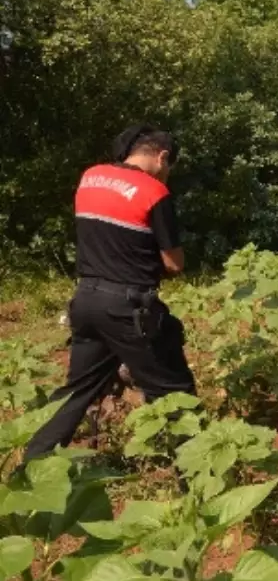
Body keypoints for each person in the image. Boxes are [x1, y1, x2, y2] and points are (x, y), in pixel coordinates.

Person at [21, 125, 197, 465]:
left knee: (75, 392)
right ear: (162, 156)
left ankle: (29, 470)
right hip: (128, 309)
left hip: (85, 301)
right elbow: (174, 263)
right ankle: (200, 487)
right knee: (175, 392)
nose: (168, 175)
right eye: (170, 167)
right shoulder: (155, 192)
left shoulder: (91, 177)